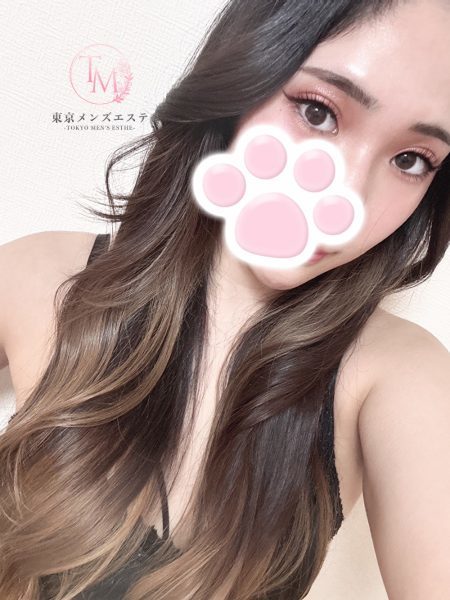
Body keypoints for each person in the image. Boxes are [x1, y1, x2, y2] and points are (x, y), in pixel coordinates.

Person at [0, 0, 449, 598]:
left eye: (410, 160)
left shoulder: (401, 375)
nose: (349, 196)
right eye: (317, 112)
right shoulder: (42, 276)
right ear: (242, 80)